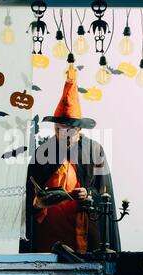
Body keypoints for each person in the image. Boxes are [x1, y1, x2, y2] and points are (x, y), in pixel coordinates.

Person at [21, 67, 120, 254]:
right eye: (58, 129)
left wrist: (88, 193)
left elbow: (104, 193)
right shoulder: (42, 152)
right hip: (49, 231)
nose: (63, 134)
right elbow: (28, 197)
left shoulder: (95, 150)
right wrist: (37, 203)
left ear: (80, 130)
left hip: (81, 230)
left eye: (69, 130)